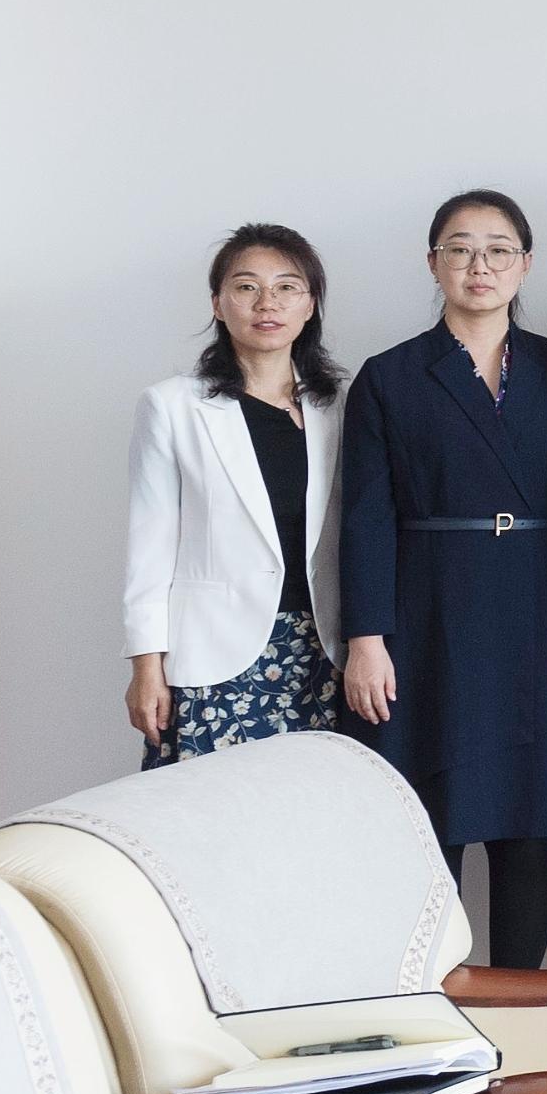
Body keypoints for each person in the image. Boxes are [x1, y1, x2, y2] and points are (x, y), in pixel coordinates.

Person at [336, 190, 547, 969]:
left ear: (526, 264)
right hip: (427, 613)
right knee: (432, 816)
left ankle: (519, 997)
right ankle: (441, 999)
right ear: (434, 263)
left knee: (529, 818)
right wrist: (366, 638)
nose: (478, 265)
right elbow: (365, 516)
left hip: (538, 612)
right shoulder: (390, 376)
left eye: (498, 249)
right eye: (459, 249)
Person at [124, 223, 350, 766]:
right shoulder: (172, 407)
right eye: (247, 286)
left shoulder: (340, 406)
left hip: (324, 653)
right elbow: (149, 544)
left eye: (287, 287)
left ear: (310, 305)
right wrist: (146, 666)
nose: (266, 303)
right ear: (218, 304)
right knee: (209, 809)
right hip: (214, 657)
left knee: (310, 805)